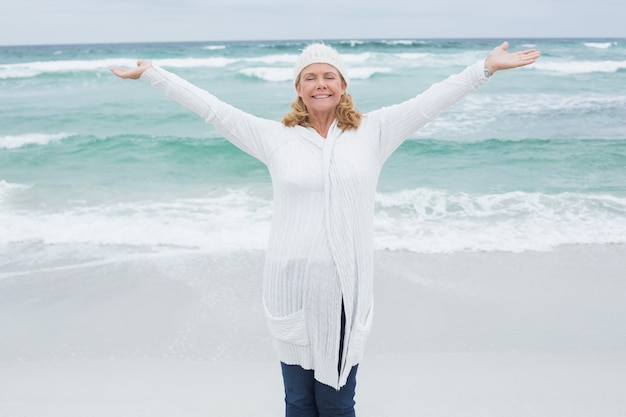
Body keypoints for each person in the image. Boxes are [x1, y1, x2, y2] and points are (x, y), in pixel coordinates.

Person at [111, 41, 540, 417]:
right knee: (298, 403)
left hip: (344, 288)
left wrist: (483, 68)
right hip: (291, 284)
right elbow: (213, 110)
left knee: (336, 403)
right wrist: (153, 74)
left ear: (343, 85)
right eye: (310, 77)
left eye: (329, 76)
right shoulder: (273, 137)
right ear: (298, 89)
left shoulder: (374, 131)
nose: (321, 83)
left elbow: (429, 103)